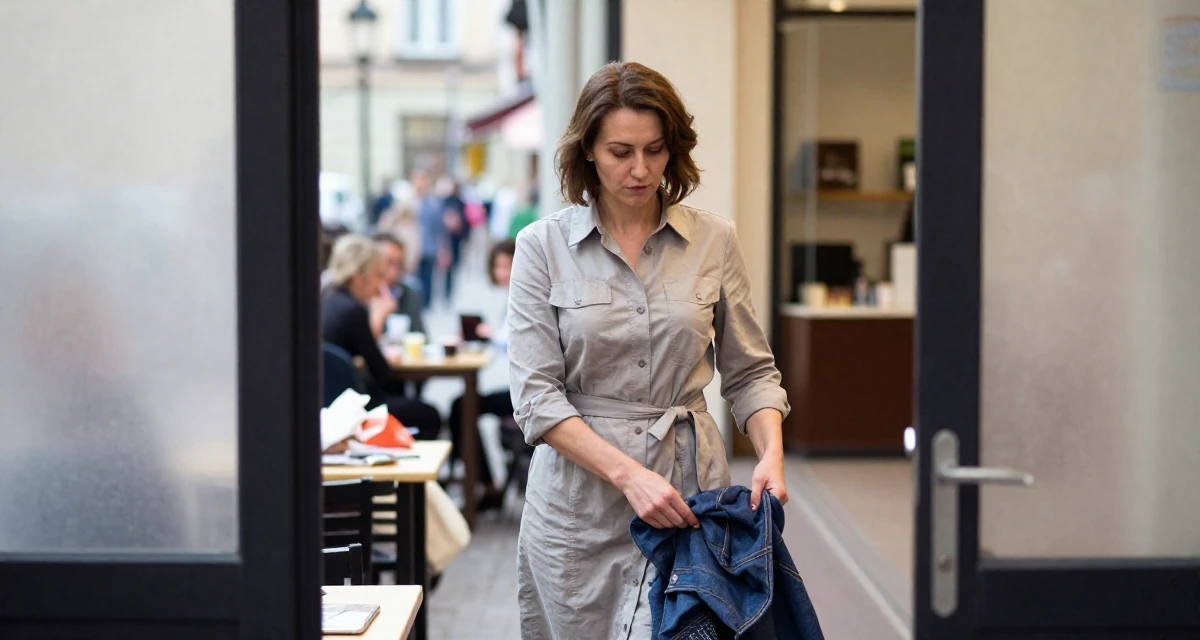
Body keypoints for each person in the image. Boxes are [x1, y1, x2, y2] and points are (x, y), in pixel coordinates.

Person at [507, 61, 791, 639]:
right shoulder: (542, 247)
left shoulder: (714, 240)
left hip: (689, 500)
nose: (641, 169)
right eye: (620, 152)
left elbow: (751, 372)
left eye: (655, 150)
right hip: (576, 512)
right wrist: (629, 476)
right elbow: (536, 397)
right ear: (587, 150)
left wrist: (771, 452)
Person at [321, 234, 441, 439]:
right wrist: (378, 316)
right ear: (358, 277)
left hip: (329, 402)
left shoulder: (328, 300)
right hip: (353, 410)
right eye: (378, 275)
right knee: (429, 416)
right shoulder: (353, 311)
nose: (380, 284)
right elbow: (382, 373)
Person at [447, 240, 519, 511]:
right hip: (522, 388)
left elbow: (516, 342)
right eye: (499, 266)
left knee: (462, 406)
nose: (504, 272)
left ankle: (485, 485)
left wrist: (491, 337)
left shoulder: (527, 296)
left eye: (509, 265)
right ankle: (485, 483)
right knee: (462, 404)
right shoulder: (513, 296)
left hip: (531, 392)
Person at [371, 231, 425, 336]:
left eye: (398, 264)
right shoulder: (358, 299)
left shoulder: (407, 294)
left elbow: (421, 337)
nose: (393, 273)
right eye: (388, 263)